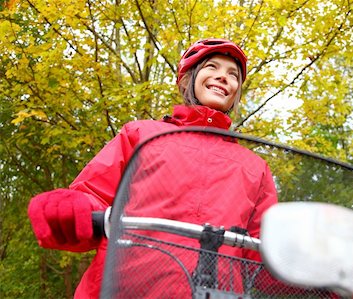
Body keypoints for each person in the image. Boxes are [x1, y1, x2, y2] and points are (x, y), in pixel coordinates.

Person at [28, 38, 279, 298]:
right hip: (125, 290)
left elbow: (261, 253)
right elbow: (95, 194)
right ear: (188, 79)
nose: (223, 77)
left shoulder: (255, 167)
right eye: (212, 67)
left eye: (232, 74)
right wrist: (70, 207)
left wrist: (313, 270)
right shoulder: (141, 134)